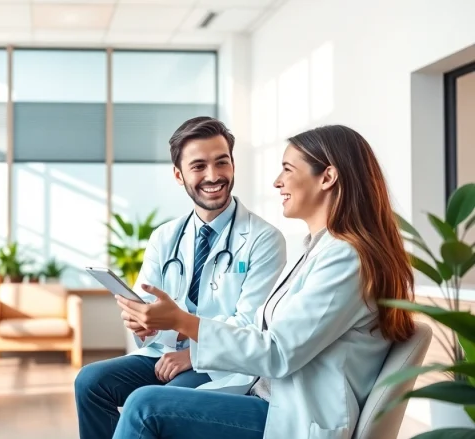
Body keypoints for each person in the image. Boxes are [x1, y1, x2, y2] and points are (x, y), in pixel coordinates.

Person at [112, 124, 416, 439]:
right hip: (266, 395)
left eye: (287, 169)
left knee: (146, 406)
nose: (277, 181)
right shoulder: (318, 250)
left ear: (327, 177)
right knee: (127, 393)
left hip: (295, 416)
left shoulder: (346, 259)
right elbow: (262, 332)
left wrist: (182, 322)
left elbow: (278, 352)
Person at [74, 117, 287, 439]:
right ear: (179, 175)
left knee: (162, 399)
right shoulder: (165, 236)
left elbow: (251, 325)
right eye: (198, 166)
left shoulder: (264, 239)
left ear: (233, 165)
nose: (213, 176)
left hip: (222, 365)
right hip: (163, 354)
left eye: (222, 162)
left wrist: (192, 355)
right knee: (90, 382)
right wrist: (142, 322)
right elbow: (148, 302)